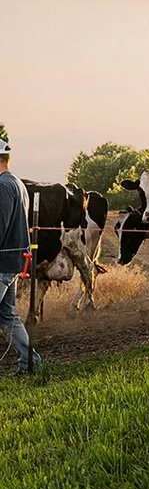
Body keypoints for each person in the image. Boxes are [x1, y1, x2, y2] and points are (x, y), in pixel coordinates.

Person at [0, 137, 40, 374]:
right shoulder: (17, 183)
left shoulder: (3, 186)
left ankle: (30, 363)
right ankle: (30, 363)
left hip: (2, 262)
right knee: (8, 315)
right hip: (13, 260)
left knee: (9, 316)